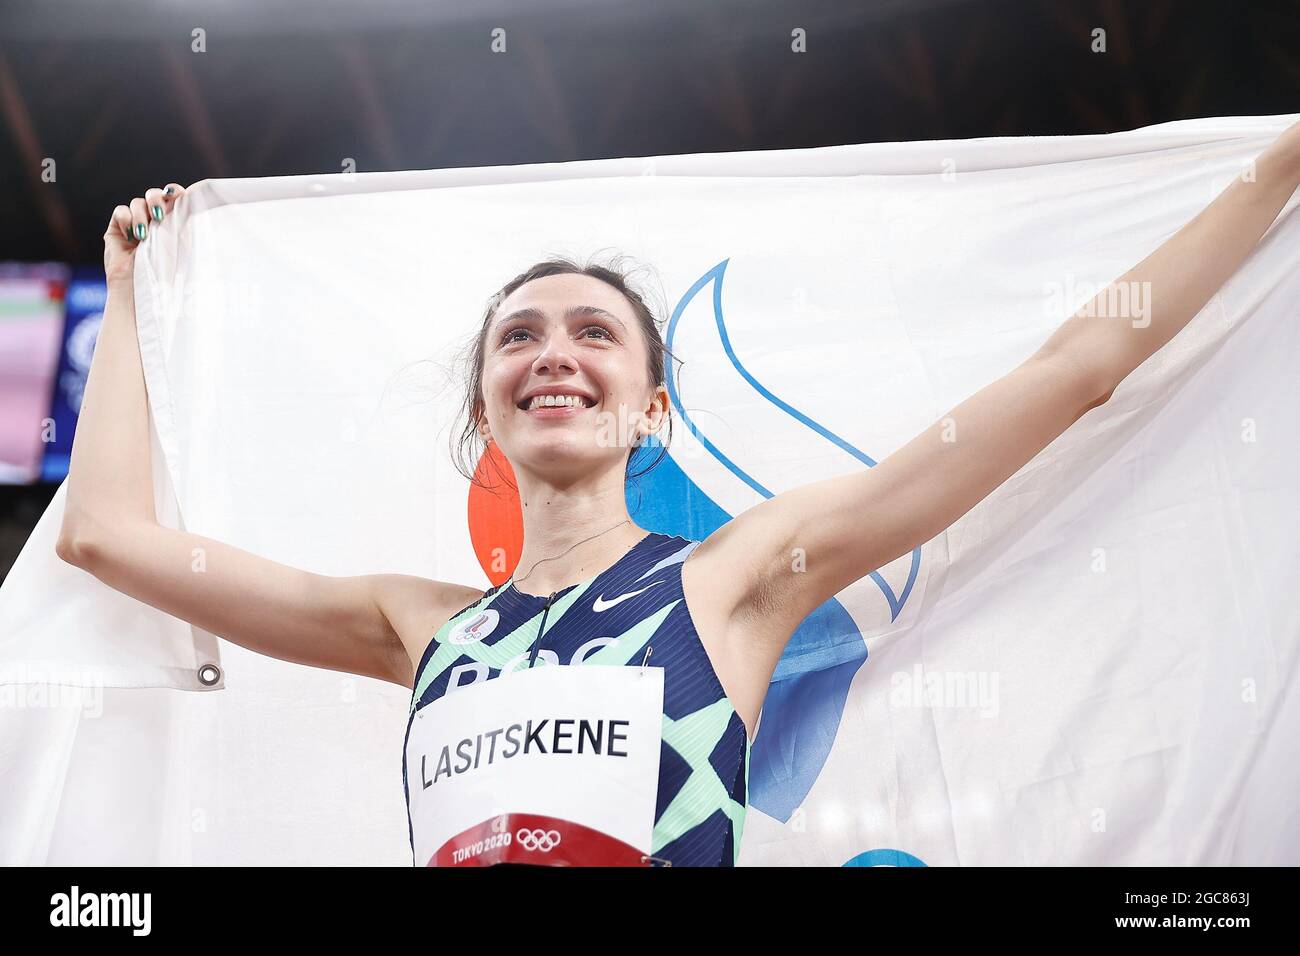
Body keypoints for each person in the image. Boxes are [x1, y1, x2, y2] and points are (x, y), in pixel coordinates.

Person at [57, 122, 1300, 866]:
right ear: (483, 403)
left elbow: (1073, 372)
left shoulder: (738, 573)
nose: (554, 351)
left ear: (651, 408)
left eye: (594, 332)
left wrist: (1283, 166)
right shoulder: (420, 625)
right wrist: (128, 293)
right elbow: (107, 538)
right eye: (519, 336)